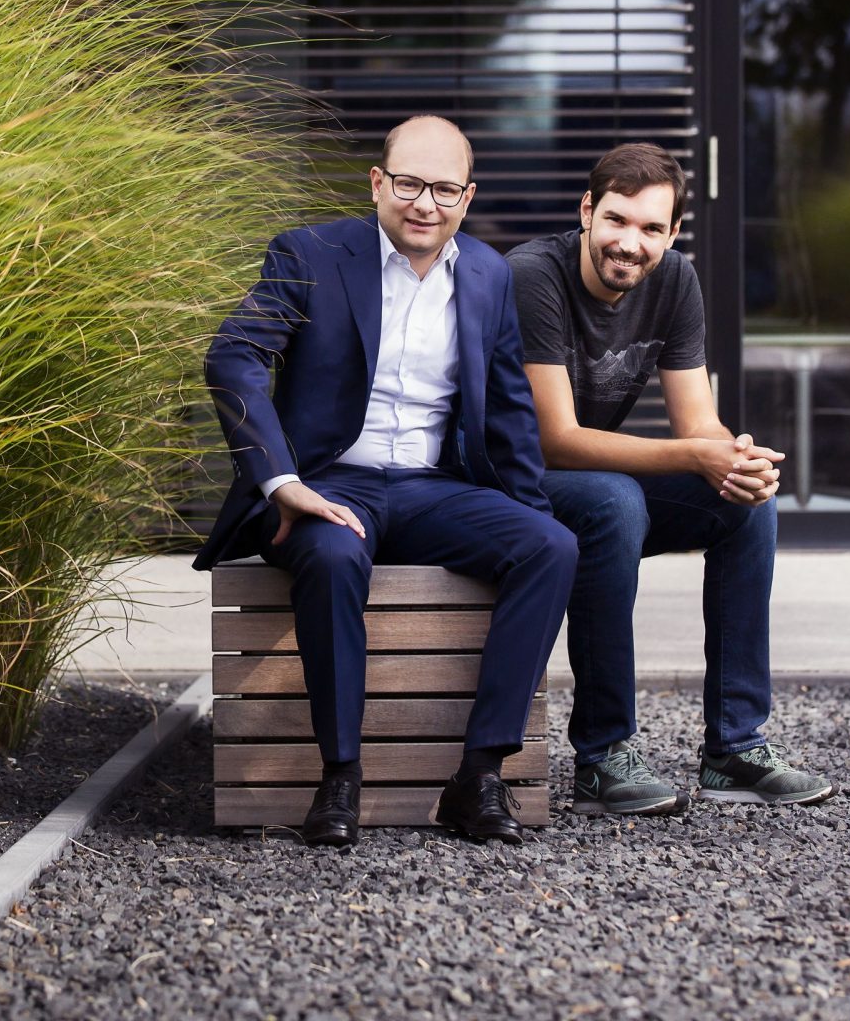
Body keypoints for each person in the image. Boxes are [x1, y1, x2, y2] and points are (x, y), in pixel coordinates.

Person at [194, 115, 577, 848]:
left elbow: (510, 413)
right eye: (408, 183)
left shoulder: (490, 275)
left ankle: (480, 776)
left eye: (443, 189)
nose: (423, 203)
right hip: (331, 480)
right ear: (378, 184)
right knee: (334, 555)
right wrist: (280, 482)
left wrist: (526, 516)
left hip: (431, 487)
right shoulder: (311, 253)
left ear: (467, 198)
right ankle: (339, 777)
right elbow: (233, 357)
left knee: (551, 547)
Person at [506, 142, 834, 816]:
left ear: (673, 232)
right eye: (618, 221)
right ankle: (602, 756)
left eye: (652, 229)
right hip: (507, 482)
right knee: (614, 500)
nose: (631, 243)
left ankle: (734, 748)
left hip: (591, 483)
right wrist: (694, 456)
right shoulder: (531, 277)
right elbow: (555, 441)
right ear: (587, 210)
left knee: (745, 505)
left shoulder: (676, 280)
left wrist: (733, 455)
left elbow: (698, 423)